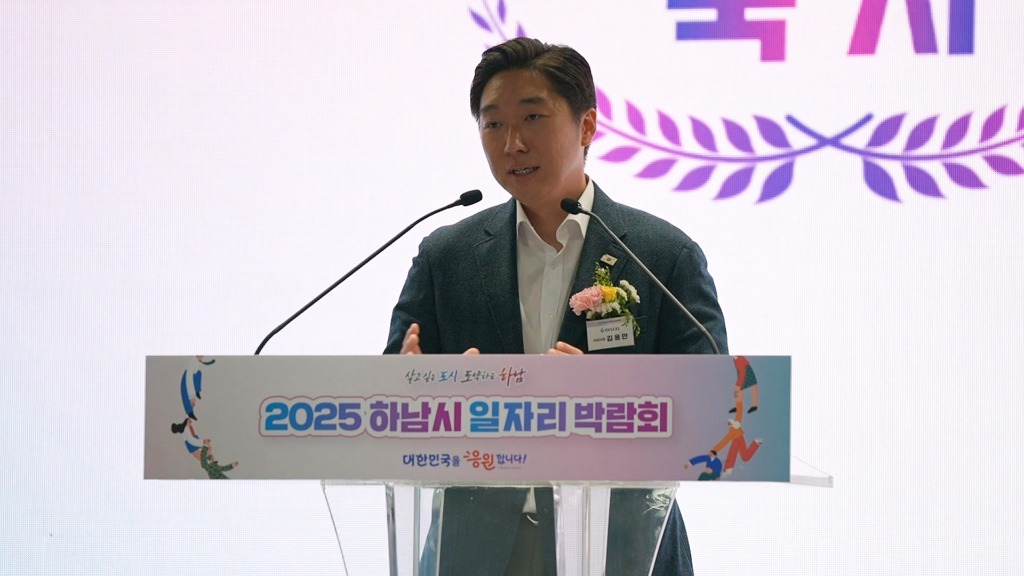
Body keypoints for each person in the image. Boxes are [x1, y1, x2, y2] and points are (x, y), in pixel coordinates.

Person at [384, 37, 727, 576]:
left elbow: (715, 411)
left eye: (533, 118)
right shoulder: (445, 256)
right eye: (493, 124)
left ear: (586, 126)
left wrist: (605, 401)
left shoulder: (662, 254)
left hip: (620, 548)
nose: (512, 143)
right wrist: (417, 389)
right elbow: (386, 403)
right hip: (473, 551)